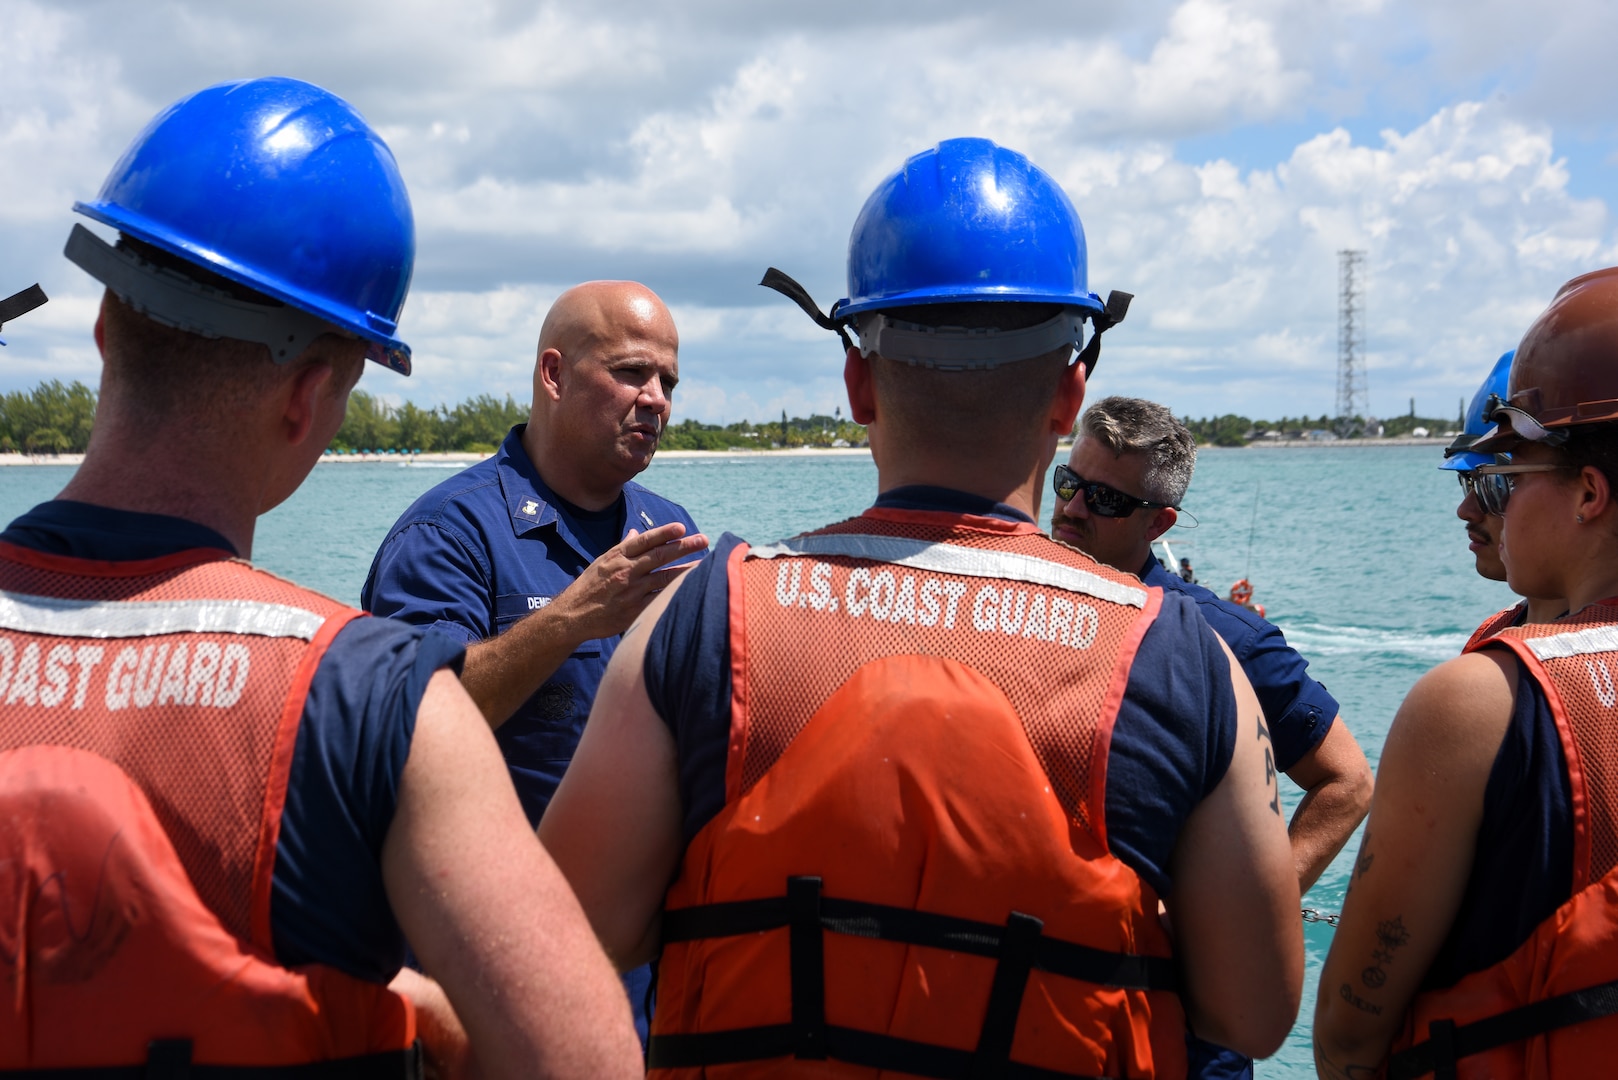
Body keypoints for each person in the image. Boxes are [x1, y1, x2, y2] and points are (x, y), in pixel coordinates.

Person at [538, 137, 1303, 1078]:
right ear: (1071, 395)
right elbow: (1256, 1013)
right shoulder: (1184, 659)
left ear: (858, 383)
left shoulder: (703, 618)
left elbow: (573, 929)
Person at [0, 78, 640, 1076]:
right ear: (307, 397)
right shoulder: (371, 697)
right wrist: (419, 1020)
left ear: (104, 332)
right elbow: (587, 1065)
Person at [362, 279, 708, 1039]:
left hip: (638, 982)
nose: (655, 399)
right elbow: (411, 732)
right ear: (553, 375)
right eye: (630, 372)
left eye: (668, 383)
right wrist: (568, 622)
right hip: (487, 978)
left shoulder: (670, 531)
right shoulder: (448, 535)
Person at [1316, 267, 1618, 1078]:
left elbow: (1347, 1035)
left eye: (1504, 476)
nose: (1475, 510)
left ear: (1590, 492)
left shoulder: (1481, 704)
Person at [1051, 396, 1372, 1080]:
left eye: (1103, 499)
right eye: (1067, 483)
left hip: (1186, 1037)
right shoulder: (1031, 612)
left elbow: (1347, 780)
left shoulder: (1223, 637)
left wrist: (1233, 923)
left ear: (1158, 523)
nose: (1072, 510)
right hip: (1052, 1006)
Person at [1443, 350, 1566, 645]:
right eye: (1469, 483)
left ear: (1589, 492)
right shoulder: (1497, 633)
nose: (1465, 510)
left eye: (1497, 484)